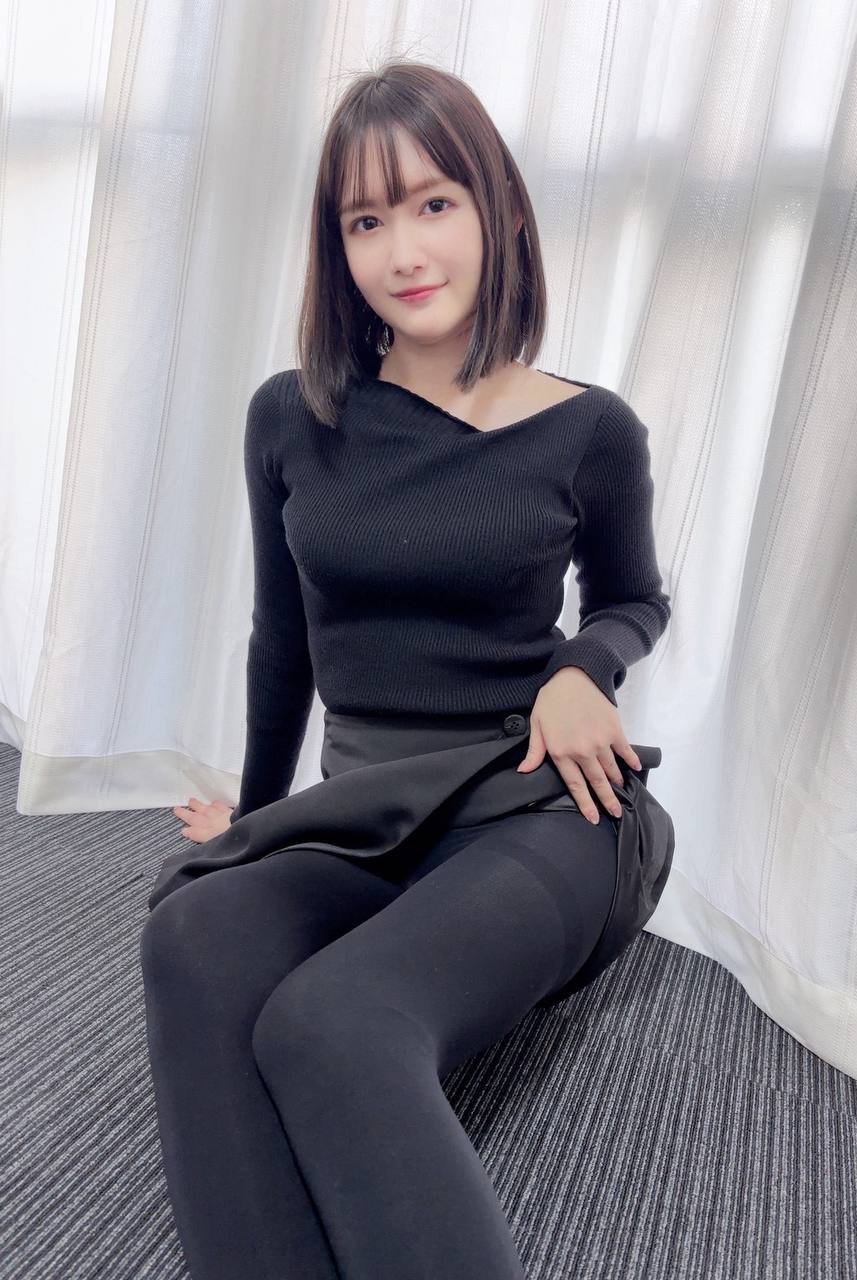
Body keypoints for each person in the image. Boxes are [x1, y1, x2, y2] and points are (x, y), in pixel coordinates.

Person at [139, 56, 671, 1280]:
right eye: (366, 220)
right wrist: (258, 825)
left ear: (498, 210)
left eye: (434, 202)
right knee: (191, 930)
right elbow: (283, 641)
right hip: (366, 809)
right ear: (337, 248)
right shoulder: (291, 415)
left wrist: (584, 668)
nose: (402, 249)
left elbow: (635, 597)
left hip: (538, 801)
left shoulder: (590, 428)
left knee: (332, 1020)